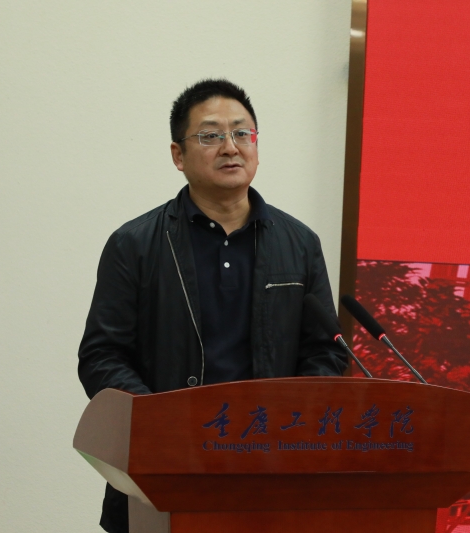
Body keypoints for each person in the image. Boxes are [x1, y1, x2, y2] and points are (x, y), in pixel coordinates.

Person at [78, 78, 348, 533]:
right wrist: (160, 424)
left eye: (242, 133)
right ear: (178, 155)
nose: (231, 147)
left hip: (270, 472)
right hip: (163, 471)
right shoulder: (135, 244)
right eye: (210, 135)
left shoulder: (299, 243)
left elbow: (326, 351)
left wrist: (289, 423)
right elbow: (101, 355)